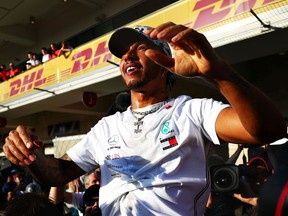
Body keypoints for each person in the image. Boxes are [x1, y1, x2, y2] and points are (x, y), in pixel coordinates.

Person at [3, 22, 286, 215]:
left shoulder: (191, 111)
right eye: (123, 52)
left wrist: (217, 73)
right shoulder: (107, 126)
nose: (127, 55)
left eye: (139, 48)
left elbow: (268, 129)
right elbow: (59, 173)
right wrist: (29, 156)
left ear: (166, 63)